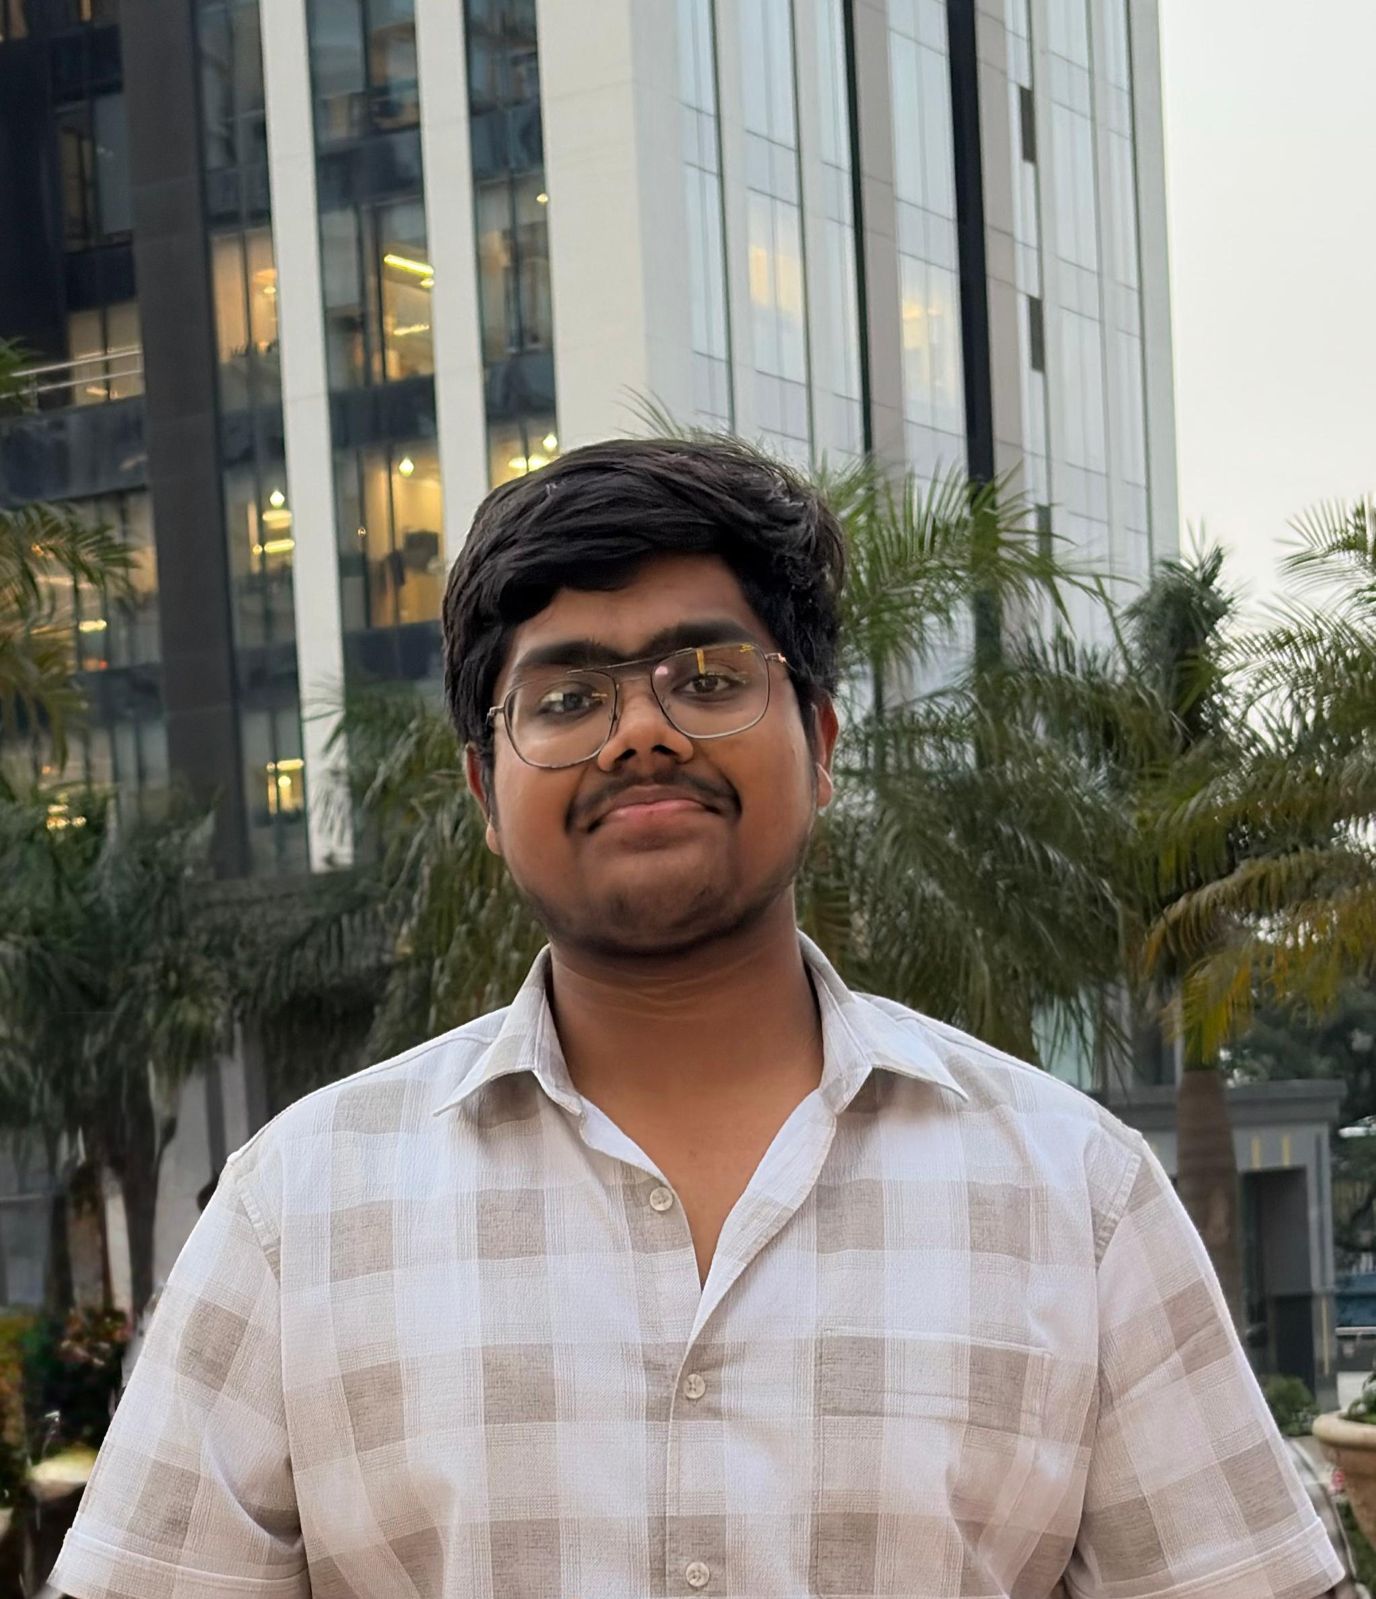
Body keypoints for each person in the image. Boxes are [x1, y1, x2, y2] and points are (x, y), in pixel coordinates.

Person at [48, 437, 1348, 1598]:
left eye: (710, 678)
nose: (640, 735)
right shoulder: (296, 1212)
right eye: (567, 700)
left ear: (821, 743)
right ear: (485, 794)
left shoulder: (1076, 1195)